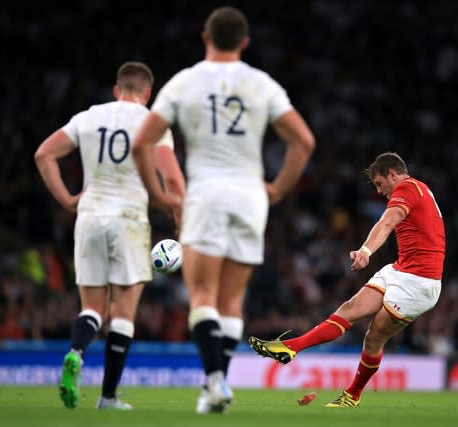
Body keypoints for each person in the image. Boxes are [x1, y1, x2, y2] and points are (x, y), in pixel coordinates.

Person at [131, 6, 315, 414]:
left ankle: (214, 381)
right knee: (233, 302)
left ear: (205, 37)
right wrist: (278, 189)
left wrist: (160, 197)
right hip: (250, 196)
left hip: (207, 193)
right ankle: (216, 387)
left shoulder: (185, 83)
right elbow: (304, 141)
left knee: (202, 296)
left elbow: (142, 143)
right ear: (245, 43)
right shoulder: (262, 84)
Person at [34, 61, 184, 410]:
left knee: (92, 309)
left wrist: (68, 199)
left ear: (117, 90)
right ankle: (108, 397)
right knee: (123, 313)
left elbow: (44, 154)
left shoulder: (88, 117)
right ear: (147, 94)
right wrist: (179, 213)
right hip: (128, 218)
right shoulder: (153, 123)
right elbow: (173, 180)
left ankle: (76, 352)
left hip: (89, 216)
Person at [249, 152, 445, 407]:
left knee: (374, 336)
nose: (379, 191)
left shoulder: (406, 188)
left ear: (392, 174)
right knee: (349, 309)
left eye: (379, 184)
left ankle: (352, 395)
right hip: (400, 270)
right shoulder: (420, 189)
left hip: (421, 281)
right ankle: (290, 347)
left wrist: (365, 251)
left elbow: (386, 223)